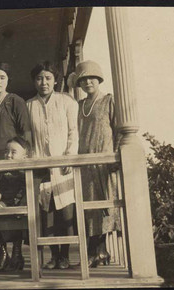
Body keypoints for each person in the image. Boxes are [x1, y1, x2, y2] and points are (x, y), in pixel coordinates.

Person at [67, 60, 121, 268]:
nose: (88, 82)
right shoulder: (78, 106)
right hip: (85, 165)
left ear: (98, 79)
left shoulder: (109, 101)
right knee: (88, 210)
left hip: (105, 164)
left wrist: (115, 158)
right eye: (83, 79)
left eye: (91, 78)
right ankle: (97, 253)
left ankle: (100, 252)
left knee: (105, 208)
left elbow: (118, 131)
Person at [26, 61, 79, 270]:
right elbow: (28, 137)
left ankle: (64, 256)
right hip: (41, 165)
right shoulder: (29, 105)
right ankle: (53, 256)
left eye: (48, 78)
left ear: (55, 80)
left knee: (65, 213)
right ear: (34, 81)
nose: (43, 82)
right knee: (46, 212)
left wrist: (69, 157)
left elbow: (73, 132)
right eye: (39, 78)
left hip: (63, 165)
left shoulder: (67, 102)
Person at [0, 137, 31, 272]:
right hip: (3, 202)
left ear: (25, 157)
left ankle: (17, 253)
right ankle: (3, 253)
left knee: (18, 215)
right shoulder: (2, 170)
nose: (8, 156)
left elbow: (27, 189)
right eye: (6, 152)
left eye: (13, 152)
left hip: (19, 202)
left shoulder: (25, 172)